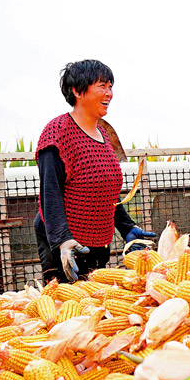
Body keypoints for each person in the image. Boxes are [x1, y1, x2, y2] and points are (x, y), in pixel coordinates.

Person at [33, 59, 155, 283]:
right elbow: (51, 192)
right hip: (67, 246)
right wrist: (62, 240)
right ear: (77, 91)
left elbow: (104, 190)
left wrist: (126, 227)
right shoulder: (58, 133)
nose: (109, 93)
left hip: (97, 243)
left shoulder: (104, 133)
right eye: (102, 86)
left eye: (110, 87)